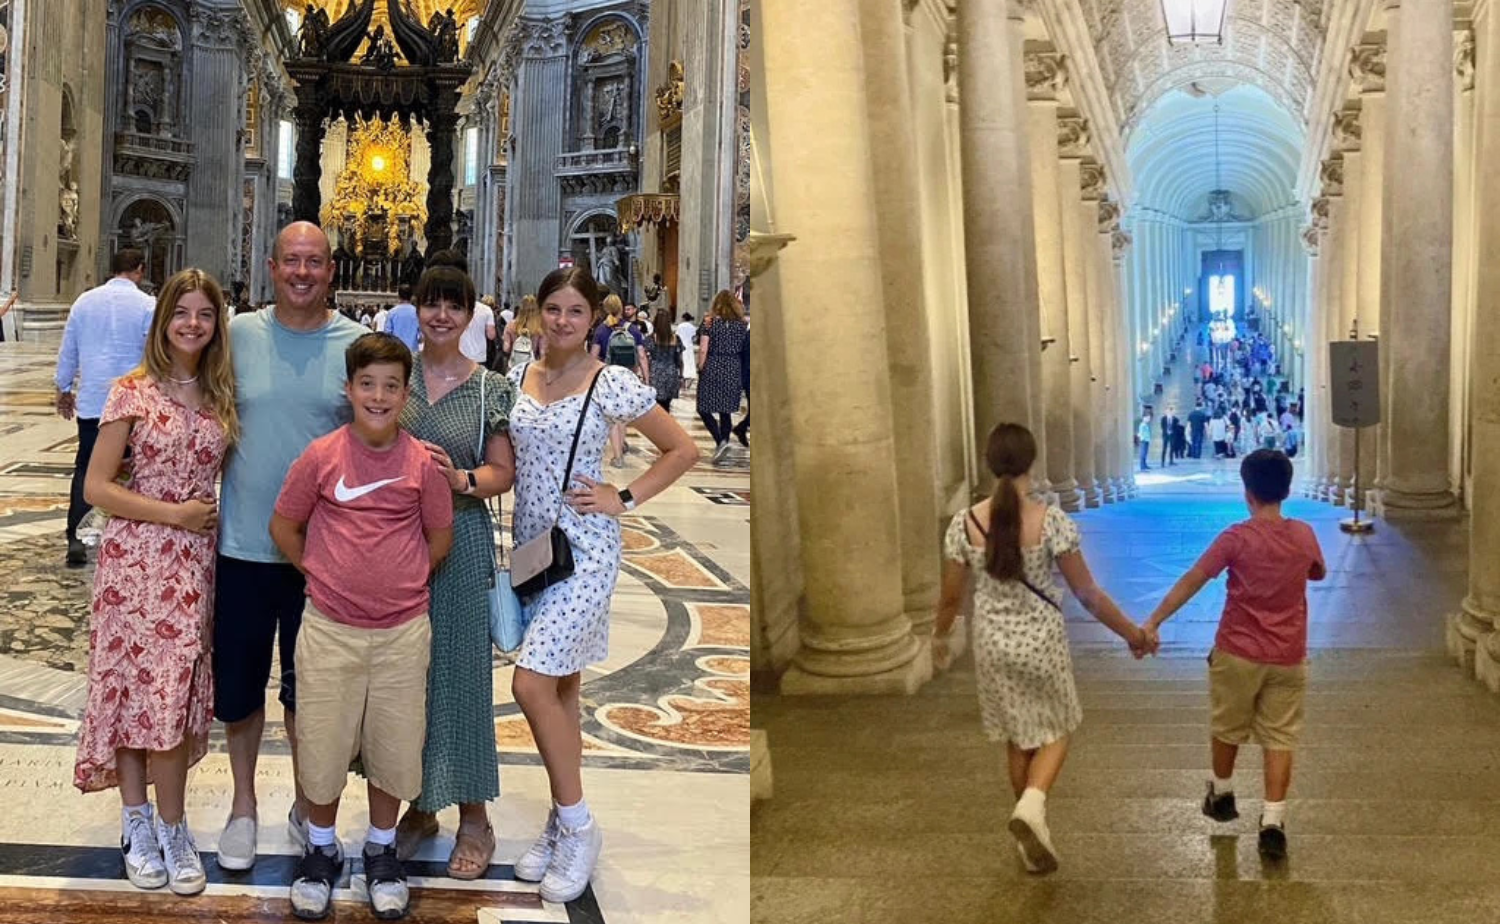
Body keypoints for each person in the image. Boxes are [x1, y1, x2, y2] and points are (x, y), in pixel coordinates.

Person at [505, 267, 699, 903]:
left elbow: (681, 449)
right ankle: (561, 822)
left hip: (585, 552)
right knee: (561, 690)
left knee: (529, 682)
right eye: (554, 309)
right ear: (539, 314)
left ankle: (580, 824)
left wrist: (625, 495)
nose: (563, 322)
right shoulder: (519, 376)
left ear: (593, 319)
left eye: (576, 312)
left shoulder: (609, 380)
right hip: (535, 553)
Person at [270, 333, 454, 919]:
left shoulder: (421, 464)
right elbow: (285, 526)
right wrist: (323, 574)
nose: (378, 396)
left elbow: (439, 537)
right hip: (329, 627)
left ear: (407, 395)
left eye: (391, 386)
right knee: (322, 743)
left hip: (403, 630)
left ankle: (380, 848)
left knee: (394, 746)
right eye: (367, 384)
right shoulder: (322, 456)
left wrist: (400, 582)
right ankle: (321, 848)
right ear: (348, 389)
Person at [72, 268, 239, 896]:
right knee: (134, 691)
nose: (193, 324)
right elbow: (96, 488)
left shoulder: (221, 393)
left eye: (204, 314)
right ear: (162, 321)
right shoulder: (130, 392)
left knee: (173, 691)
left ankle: (175, 825)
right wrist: (175, 514)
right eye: (182, 313)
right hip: (135, 563)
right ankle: (138, 822)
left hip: (194, 569)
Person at [212, 222, 366, 873]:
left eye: (316, 262)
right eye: (292, 261)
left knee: (314, 697)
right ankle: (243, 807)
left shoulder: (358, 344)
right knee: (240, 691)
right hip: (242, 547)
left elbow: (381, 436)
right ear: (271, 267)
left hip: (322, 559)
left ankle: (309, 806)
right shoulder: (237, 334)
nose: (303, 272)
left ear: (332, 270)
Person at [934, 422, 1149, 875]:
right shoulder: (1051, 522)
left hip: (992, 643)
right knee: (1057, 729)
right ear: (1032, 463)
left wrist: (941, 636)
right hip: (1042, 643)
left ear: (990, 464)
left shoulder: (964, 523)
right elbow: (1088, 594)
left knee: (1018, 736)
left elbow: (951, 596)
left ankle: (1031, 831)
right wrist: (1131, 632)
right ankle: (1033, 807)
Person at [389, 255, 518, 878]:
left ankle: (474, 816)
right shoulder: (395, 379)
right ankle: (417, 807)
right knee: (403, 680)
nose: (441, 315)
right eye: (431, 302)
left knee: (461, 677)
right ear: (418, 308)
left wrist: (459, 478)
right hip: (394, 546)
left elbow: (502, 472)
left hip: (462, 545)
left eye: (453, 305)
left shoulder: (491, 387)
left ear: (470, 315)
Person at [1141, 450, 1325, 861]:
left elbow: (1194, 579)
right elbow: (1316, 572)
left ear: (1247, 492)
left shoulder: (1235, 538)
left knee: (1227, 725)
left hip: (1237, 651)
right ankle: (1273, 822)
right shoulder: (1304, 535)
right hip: (1288, 654)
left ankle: (1222, 793)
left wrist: (1154, 621)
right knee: (1280, 736)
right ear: (1287, 489)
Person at [54, 249, 156, 566]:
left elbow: (68, 347)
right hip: (132, 406)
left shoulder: (83, 303)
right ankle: (126, 537)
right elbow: (153, 355)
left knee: (86, 467)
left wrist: (64, 388)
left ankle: (77, 537)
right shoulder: (147, 305)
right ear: (139, 270)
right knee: (132, 473)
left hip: (92, 403)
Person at [591, 295, 648, 468]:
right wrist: (646, 378)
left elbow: (593, 356)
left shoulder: (601, 330)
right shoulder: (633, 330)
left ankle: (617, 455)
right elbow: (642, 355)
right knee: (622, 415)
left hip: (607, 375)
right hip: (628, 375)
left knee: (612, 416)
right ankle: (621, 446)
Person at [696, 291, 749, 464]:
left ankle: (721, 441)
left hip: (713, 364)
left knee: (703, 408)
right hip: (733, 367)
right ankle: (723, 442)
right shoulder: (742, 325)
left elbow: (703, 348)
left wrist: (701, 366)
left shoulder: (709, 324)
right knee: (725, 411)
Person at [645, 310, 684, 412]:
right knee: (666, 404)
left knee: (655, 405)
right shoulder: (676, 338)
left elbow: (644, 356)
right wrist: (681, 376)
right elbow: (679, 360)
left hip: (656, 372)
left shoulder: (651, 338)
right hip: (671, 372)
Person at [505, 294, 545, 368]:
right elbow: (542, 352)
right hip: (532, 368)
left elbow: (506, 348)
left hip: (514, 367)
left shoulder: (510, 325)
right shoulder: (539, 328)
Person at [460, 292, 497, 365]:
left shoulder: (458, 308)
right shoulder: (486, 310)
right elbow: (491, 335)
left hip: (461, 353)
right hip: (479, 355)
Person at [385, 284, 421, 351]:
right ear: (411, 296)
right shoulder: (417, 313)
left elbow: (387, 335)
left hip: (396, 351)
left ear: (399, 296)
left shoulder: (392, 312)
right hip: (413, 351)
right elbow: (421, 335)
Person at [675, 312, 697, 390]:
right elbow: (694, 338)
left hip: (681, 346)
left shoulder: (680, 326)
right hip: (689, 346)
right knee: (690, 362)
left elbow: (677, 335)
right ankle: (690, 379)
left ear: (683, 318)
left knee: (682, 362)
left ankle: (683, 381)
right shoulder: (692, 327)